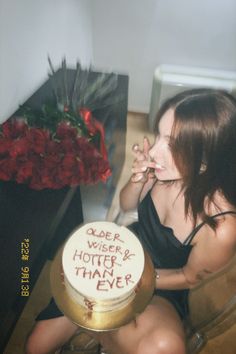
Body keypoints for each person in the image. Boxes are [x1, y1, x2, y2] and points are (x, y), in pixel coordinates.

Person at [25, 88, 236, 354]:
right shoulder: (163, 168)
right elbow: (127, 206)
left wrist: (134, 278)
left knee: (164, 347)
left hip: (162, 283)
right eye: (159, 135)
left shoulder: (222, 228)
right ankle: (102, 327)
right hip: (118, 255)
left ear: (205, 160)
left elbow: (189, 277)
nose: (156, 151)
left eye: (172, 143)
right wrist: (138, 180)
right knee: (36, 346)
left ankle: (101, 330)